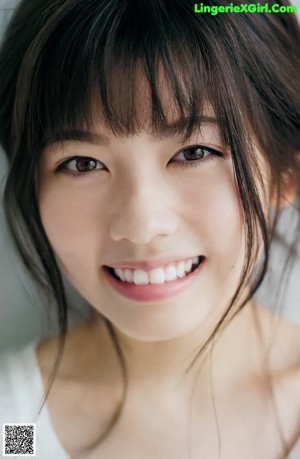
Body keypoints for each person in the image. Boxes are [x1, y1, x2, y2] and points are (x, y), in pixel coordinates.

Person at [0, 0, 299, 458]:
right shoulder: (16, 427)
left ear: (286, 172)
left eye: (195, 152)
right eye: (83, 163)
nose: (140, 226)